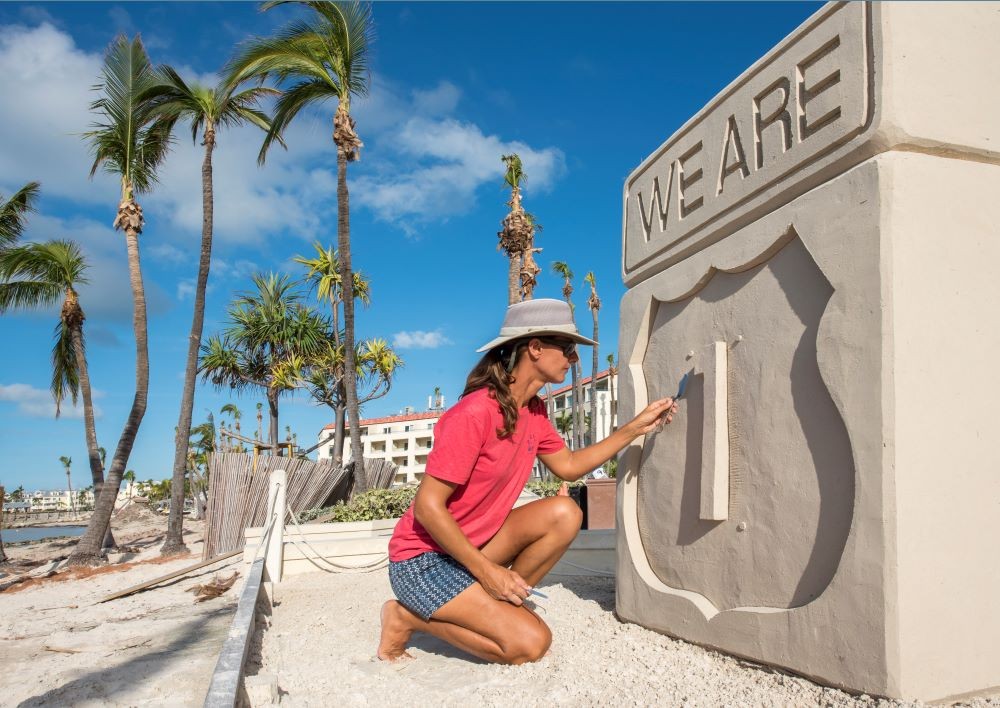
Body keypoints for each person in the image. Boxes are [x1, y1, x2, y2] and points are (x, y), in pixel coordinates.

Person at [377, 298, 678, 664]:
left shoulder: (533, 412)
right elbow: (427, 507)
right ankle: (404, 617)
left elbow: (568, 466)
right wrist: (488, 572)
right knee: (530, 644)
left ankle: (493, 601)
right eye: (568, 348)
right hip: (422, 560)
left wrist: (634, 428)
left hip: (472, 548)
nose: (574, 358)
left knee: (565, 512)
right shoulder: (473, 413)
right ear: (534, 348)